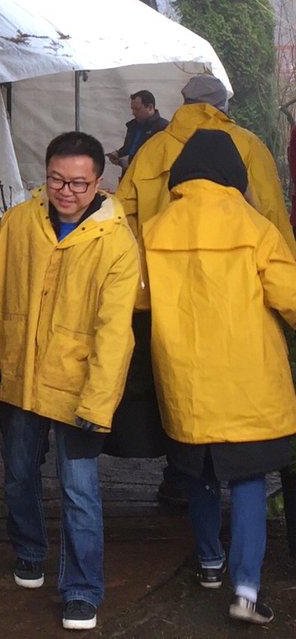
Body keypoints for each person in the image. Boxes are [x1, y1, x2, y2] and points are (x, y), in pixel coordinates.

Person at [0, 131, 139, 631]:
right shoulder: (19, 222)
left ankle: (82, 590)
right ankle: (28, 549)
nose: (67, 191)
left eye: (79, 184)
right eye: (57, 180)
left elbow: (114, 333)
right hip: (19, 376)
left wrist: (99, 403)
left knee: (80, 489)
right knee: (19, 475)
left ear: (98, 182)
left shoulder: (116, 243)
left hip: (79, 387)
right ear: (44, 175)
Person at [111, 74, 296, 499]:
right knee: (239, 386)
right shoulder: (247, 145)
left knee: (181, 394)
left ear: (183, 100)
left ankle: (181, 478)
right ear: (223, 105)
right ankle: (240, 509)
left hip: (167, 293)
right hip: (241, 294)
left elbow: (124, 213)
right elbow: (270, 211)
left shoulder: (154, 147)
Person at [143, 130, 296, 626]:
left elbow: (137, 299)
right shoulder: (256, 228)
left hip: (185, 384)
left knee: (200, 476)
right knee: (250, 479)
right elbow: (291, 296)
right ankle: (246, 590)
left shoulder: (153, 229)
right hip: (247, 384)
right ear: (235, 174)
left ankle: (210, 562)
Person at [106, 89, 168, 171]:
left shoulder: (163, 127)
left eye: (137, 109)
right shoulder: (133, 126)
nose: (133, 113)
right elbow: (128, 148)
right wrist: (118, 154)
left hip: (147, 177)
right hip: (128, 174)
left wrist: (130, 160)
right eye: (132, 109)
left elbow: (158, 157)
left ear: (150, 107)